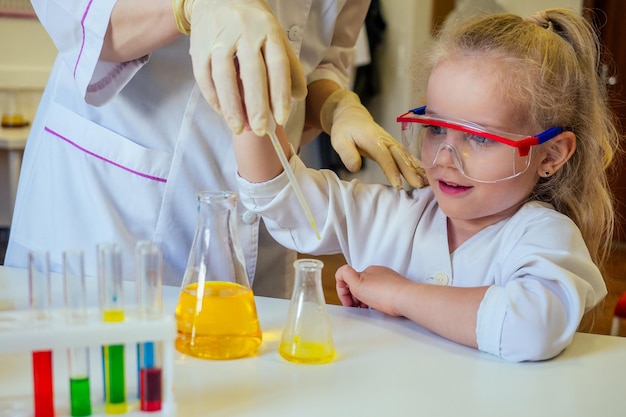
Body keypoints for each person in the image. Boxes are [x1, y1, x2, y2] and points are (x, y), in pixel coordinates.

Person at [232, 8, 620, 361]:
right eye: (435, 128)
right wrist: (250, 98)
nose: (445, 158)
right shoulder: (397, 212)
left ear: (550, 155)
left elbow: (530, 328)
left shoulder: (544, 236)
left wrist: (398, 294)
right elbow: (284, 200)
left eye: (480, 137)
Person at [5, 0, 423, 298]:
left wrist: (334, 105)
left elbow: (320, 57)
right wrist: (190, 6)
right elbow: (76, 14)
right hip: (111, 206)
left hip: (264, 217)